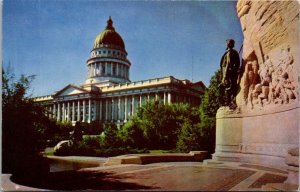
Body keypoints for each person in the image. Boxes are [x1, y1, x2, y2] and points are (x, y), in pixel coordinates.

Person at [219, 39, 240, 109]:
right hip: (229, 73)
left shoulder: (230, 52)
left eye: (229, 42)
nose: (227, 43)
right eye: (227, 42)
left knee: (228, 88)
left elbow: (228, 64)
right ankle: (229, 102)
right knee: (228, 88)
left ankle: (230, 103)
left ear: (231, 44)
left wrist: (224, 76)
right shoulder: (229, 52)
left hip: (229, 73)